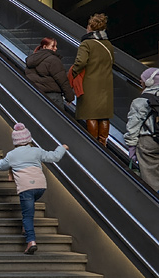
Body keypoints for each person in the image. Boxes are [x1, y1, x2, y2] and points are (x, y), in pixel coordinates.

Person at [0, 122, 69, 254]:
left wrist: (4, 162)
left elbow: (0, 166)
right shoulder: (36, 150)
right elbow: (55, 156)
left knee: (27, 215)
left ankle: (31, 241)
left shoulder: (12, 155)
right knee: (29, 208)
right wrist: (62, 147)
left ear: (15, 141)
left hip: (26, 188)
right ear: (28, 139)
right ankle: (26, 228)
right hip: (40, 187)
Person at [69, 13, 114, 146]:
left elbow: (81, 62)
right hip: (106, 85)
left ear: (91, 27)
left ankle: (94, 143)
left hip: (90, 84)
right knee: (104, 115)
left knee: (91, 114)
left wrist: (74, 72)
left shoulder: (87, 43)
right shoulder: (108, 44)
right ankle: (103, 142)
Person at [124, 67, 159, 193]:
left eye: (143, 79)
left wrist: (132, 146)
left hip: (149, 141)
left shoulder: (142, 100)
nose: (140, 81)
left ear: (149, 82)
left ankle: (154, 202)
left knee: (150, 177)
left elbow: (133, 125)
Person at [25, 37, 74, 111]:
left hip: (37, 94)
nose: (56, 48)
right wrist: (70, 97)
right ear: (45, 47)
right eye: (53, 46)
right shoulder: (53, 60)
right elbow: (62, 80)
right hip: (53, 97)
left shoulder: (31, 59)